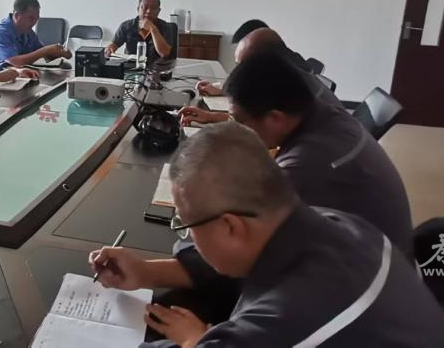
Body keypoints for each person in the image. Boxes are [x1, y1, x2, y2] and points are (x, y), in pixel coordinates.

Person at [109, 50, 414, 326]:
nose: (234, 129)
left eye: (238, 121)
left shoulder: (306, 169)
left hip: (354, 303)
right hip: (375, 272)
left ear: (275, 119)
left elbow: (238, 258)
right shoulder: (321, 113)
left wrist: (146, 272)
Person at [90, 123, 444, 347]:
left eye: (187, 226)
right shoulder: (339, 223)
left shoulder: (276, 324)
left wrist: (194, 340)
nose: (189, 238)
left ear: (231, 226)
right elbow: (231, 268)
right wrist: (145, 272)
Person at [185, 27, 340, 111]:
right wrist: (221, 92)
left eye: (244, 65)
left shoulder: (286, 80)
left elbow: (255, 122)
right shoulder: (287, 63)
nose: (241, 72)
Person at [0, 0, 71, 67]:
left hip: (21, 75)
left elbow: (42, 55)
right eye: (31, 18)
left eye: (37, 19)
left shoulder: (27, 31)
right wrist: (45, 50)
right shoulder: (0, 33)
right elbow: (12, 62)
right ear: (17, 15)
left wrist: (59, 52)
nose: (34, 23)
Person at [104, 0, 176, 61]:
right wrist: (110, 48)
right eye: (144, 7)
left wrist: (153, 29)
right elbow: (114, 44)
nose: (148, 11)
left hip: (157, 66)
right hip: (131, 66)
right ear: (138, 9)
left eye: (153, 8)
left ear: (158, 11)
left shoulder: (165, 27)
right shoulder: (126, 26)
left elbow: (164, 53)